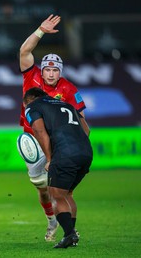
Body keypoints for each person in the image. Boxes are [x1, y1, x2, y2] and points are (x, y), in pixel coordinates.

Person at [18, 14, 87, 241]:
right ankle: (52, 220)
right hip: (33, 139)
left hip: (59, 143)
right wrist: (40, 31)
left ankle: (69, 230)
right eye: (47, 69)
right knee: (42, 189)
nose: (50, 73)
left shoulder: (68, 89)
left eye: (55, 70)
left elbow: (82, 120)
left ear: (60, 71)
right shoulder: (32, 76)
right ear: (42, 69)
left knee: (62, 191)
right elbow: (24, 52)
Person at [23, 87, 92, 248]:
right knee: (66, 193)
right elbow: (86, 130)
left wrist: (49, 159)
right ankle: (71, 234)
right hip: (86, 152)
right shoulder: (68, 105)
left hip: (65, 154)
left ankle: (69, 235)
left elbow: (39, 131)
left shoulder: (33, 106)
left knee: (55, 195)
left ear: (29, 100)